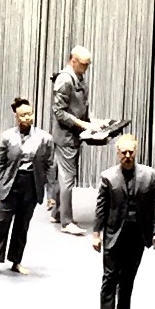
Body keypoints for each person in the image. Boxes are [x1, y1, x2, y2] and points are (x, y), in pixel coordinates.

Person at [91, 134, 155, 309]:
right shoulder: (108, 177)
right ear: (118, 153)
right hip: (114, 232)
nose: (128, 156)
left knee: (129, 276)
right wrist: (96, 234)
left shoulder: (149, 175)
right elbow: (101, 208)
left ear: (136, 151)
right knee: (110, 276)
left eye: (131, 152)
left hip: (138, 233)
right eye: (124, 152)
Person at [0, 96, 54, 276]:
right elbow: (0, 165)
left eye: (30, 114)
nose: (27, 118)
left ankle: (16, 261)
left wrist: (51, 194)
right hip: (10, 183)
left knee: (22, 225)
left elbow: (50, 167)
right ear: (16, 117)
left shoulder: (45, 138)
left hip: (31, 184)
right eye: (23, 115)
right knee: (1, 224)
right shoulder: (7, 136)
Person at [51, 45, 105, 235]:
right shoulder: (65, 80)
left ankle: (58, 212)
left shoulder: (78, 77)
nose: (86, 68)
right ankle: (66, 222)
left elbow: (80, 106)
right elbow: (59, 112)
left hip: (74, 134)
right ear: (73, 60)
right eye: (83, 64)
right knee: (67, 178)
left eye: (88, 65)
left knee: (64, 175)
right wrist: (84, 125)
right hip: (66, 136)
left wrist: (92, 122)